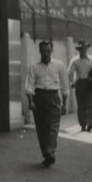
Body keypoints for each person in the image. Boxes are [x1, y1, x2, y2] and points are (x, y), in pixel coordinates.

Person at [24, 39, 68, 167]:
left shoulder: (59, 65)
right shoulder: (34, 67)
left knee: (53, 126)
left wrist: (64, 104)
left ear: (52, 51)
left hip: (54, 97)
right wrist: (31, 102)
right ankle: (47, 153)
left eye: (48, 51)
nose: (45, 53)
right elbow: (29, 86)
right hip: (39, 97)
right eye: (43, 51)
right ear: (40, 51)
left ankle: (49, 150)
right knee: (42, 127)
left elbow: (65, 86)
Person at [68, 39, 92, 132]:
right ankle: (83, 124)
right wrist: (71, 82)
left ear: (87, 49)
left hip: (90, 83)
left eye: (84, 48)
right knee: (81, 105)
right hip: (80, 83)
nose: (83, 50)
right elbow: (70, 72)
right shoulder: (75, 60)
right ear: (78, 50)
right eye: (81, 49)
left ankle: (90, 122)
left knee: (89, 104)